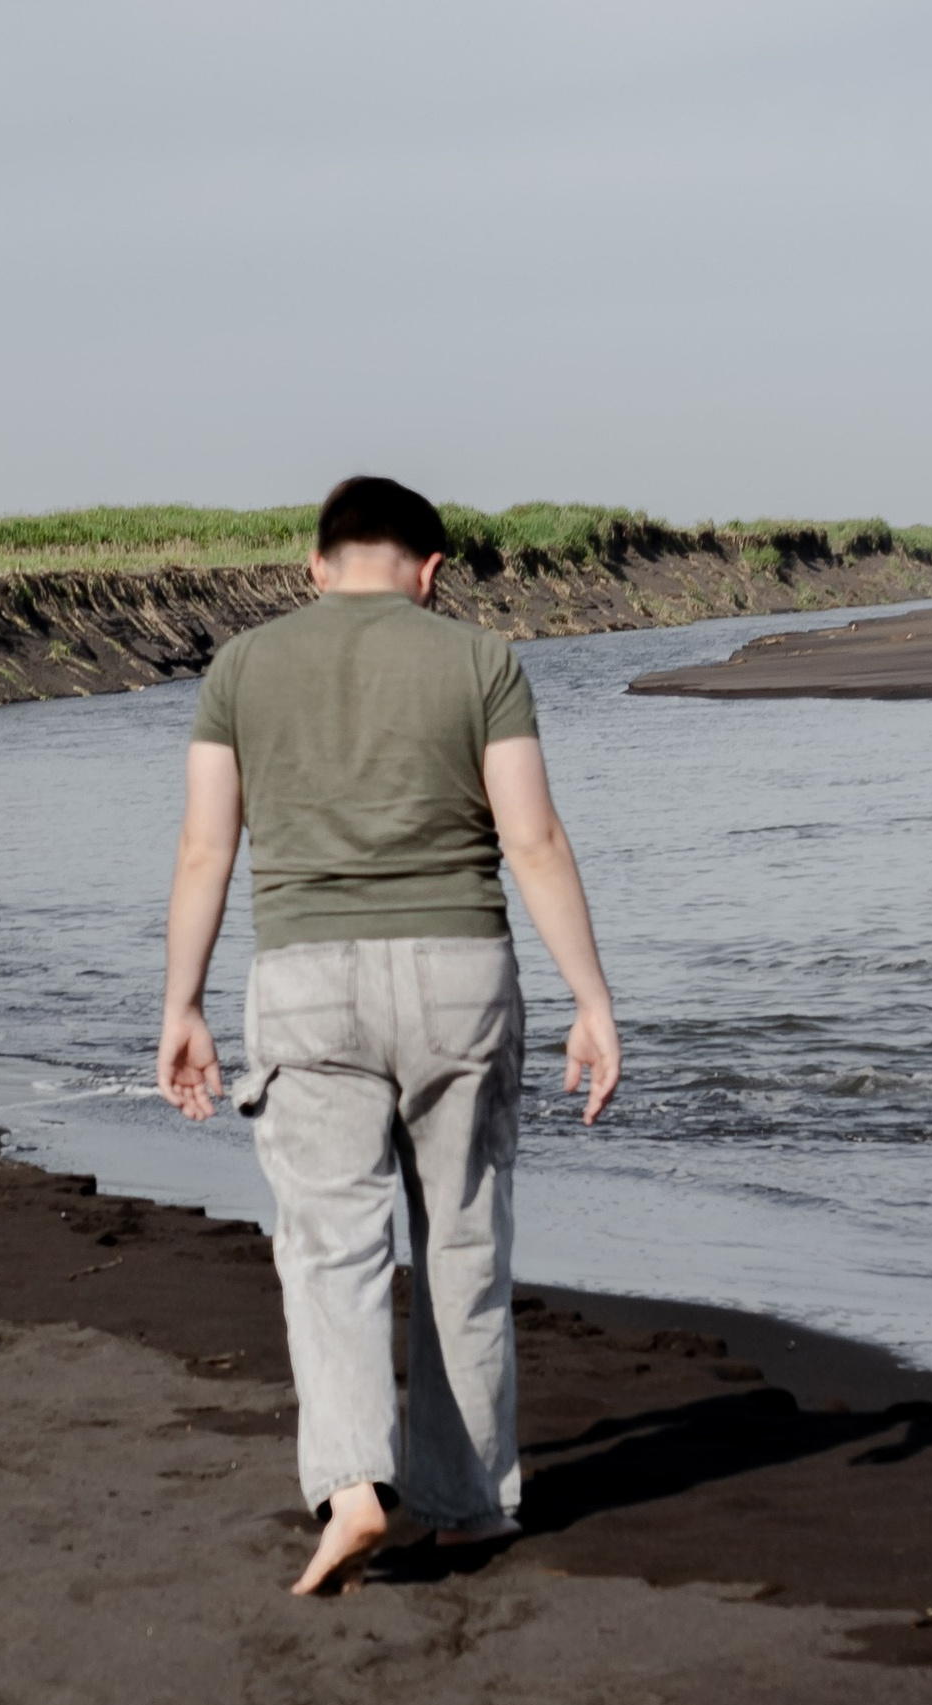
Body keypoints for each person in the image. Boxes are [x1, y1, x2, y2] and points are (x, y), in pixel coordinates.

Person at [156, 473, 621, 1595]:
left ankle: (355, 1488)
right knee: (460, 1241)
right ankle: (464, 1508)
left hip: (306, 979)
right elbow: (535, 837)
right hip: (462, 970)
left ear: (315, 568)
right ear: (429, 571)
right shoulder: (479, 661)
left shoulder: (240, 670)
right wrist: (591, 999)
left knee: (330, 1246)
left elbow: (205, 851)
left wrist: (183, 1003)